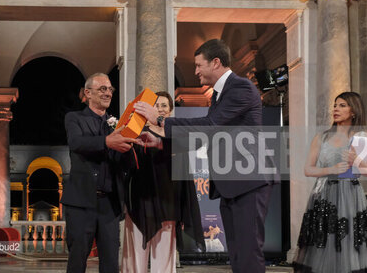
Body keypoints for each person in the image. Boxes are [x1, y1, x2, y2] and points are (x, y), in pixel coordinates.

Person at [134, 39, 275, 273]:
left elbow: (209, 125)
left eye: (199, 65)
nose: (196, 71)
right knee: (237, 252)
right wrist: (160, 143)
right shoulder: (220, 95)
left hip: (249, 181)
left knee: (248, 251)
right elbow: (206, 137)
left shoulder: (240, 87)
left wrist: (159, 120)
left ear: (216, 62)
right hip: (232, 184)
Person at [62, 73, 138, 273]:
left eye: (110, 89)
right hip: (80, 203)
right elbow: (76, 143)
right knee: (77, 261)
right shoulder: (74, 118)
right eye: (102, 89)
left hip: (110, 205)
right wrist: (107, 142)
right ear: (87, 93)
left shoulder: (118, 125)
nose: (108, 93)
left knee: (111, 263)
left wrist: (134, 147)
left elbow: (126, 164)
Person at [293, 92, 367, 273]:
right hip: (324, 195)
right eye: (335, 105)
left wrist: (357, 161)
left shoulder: (365, 136)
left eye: (342, 105)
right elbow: (308, 169)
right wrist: (331, 170)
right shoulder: (321, 137)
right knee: (323, 241)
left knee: (347, 241)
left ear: (354, 111)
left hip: (350, 196)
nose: (336, 109)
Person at [121, 91, 204, 273]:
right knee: (135, 257)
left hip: (169, 202)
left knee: (164, 258)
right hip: (141, 201)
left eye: (164, 105)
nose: (160, 109)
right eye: (156, 105)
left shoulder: (179, 136)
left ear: (171, 110)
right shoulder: (138, 133)